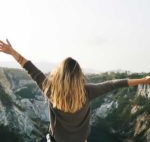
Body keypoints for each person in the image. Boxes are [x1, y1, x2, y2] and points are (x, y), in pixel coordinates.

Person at [0, 39, 150, 142]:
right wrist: (143, 80)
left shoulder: (50, 89)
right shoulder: (88, 91)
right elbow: (115, 84)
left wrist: (12, 52)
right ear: (79, 76)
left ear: (58, 74)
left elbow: (29, 67)